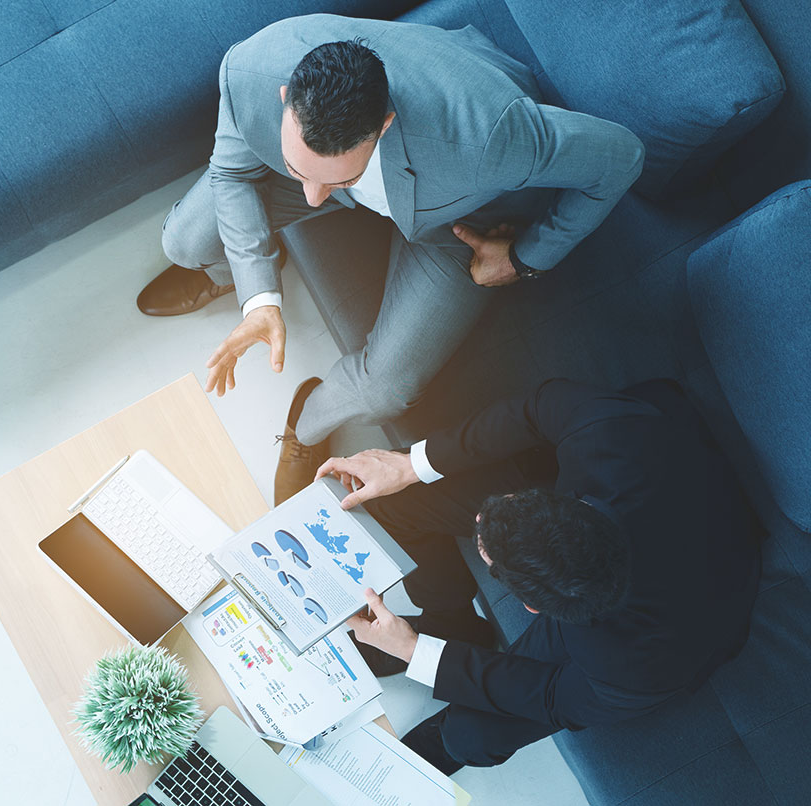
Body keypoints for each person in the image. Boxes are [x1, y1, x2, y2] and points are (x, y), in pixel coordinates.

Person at [138, 15, 644, 503]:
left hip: (455, 221)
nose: (311, 198)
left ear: (383, 127)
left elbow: (621, 156)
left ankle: (306, 427)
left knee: (384, 392)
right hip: (373, 173)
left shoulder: (492, 137)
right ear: (285, 97)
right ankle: (247, 268)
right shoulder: (249, 70)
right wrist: (260, 297)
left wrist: (525, 257)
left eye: (340, 178)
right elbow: (232, 175)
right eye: (297, 169)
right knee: (184, 243)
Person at [317, 378, 761, 774]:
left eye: (486, 553)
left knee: (473, 733)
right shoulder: (606, 432)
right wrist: (409, 465)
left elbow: (552, 698)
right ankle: (451, 623)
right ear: (565, 502)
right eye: (505, 504)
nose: (477, 518)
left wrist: (414, 651)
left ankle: (439, 742)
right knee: (391, 497)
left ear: (533, 607)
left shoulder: (633, 665)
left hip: (697, 592)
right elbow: (536, 408)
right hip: (656, 480)